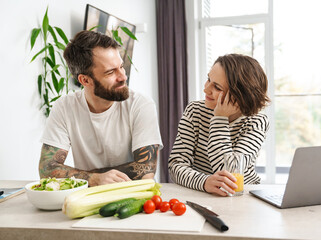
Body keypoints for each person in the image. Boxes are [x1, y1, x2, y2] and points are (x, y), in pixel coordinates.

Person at [39, 30, 163, 186]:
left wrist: (91, 178)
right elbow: (47, 169)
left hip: (134, 194)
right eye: (111, 72)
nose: (123, 77)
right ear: (85, 80)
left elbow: (145, 170)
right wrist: (94, 179)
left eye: (121, 67)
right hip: (88, 197)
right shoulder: (64, 107)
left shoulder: (141, 104)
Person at [169, 53, 270, 196]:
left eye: (216, 87)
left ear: (240, 95)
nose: (206, 89)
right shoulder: (195, 111)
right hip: (201, 194)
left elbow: (231, 174)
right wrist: (205, 182)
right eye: (208, 79)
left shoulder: (256, 122)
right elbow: (176, 165)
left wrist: (220, 119)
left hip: (243, 196)